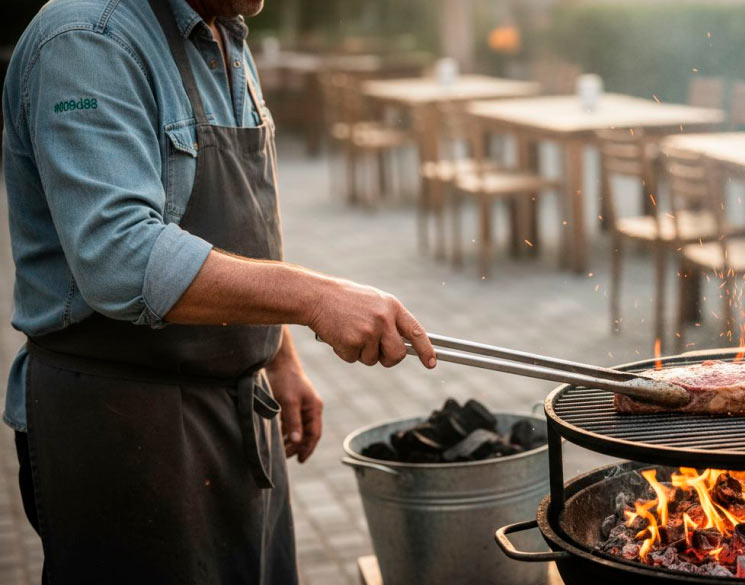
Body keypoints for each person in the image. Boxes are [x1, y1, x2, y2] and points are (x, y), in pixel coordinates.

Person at [1, 0, 437, 583]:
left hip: (234, 409)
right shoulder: (86, 38)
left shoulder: (224, 29)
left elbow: (235, 222)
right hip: (122, 423)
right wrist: (313, 296)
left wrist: (279, 354)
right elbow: (120, 258)